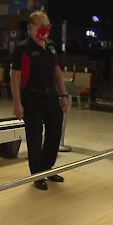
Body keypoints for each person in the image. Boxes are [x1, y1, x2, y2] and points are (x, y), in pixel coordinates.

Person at [11, 11, 70, 191]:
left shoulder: (51, 46)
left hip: (51, 95)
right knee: (35, 136)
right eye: (42, 25)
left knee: (54, 134)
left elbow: (57, 72)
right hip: (32, 97)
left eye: (48, 26)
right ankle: (37, 174)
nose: (46, 29)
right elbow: (15, 78)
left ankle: (47, 168)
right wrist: (17, 103)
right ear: (32, 27)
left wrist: (63, 95)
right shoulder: (23, 48)